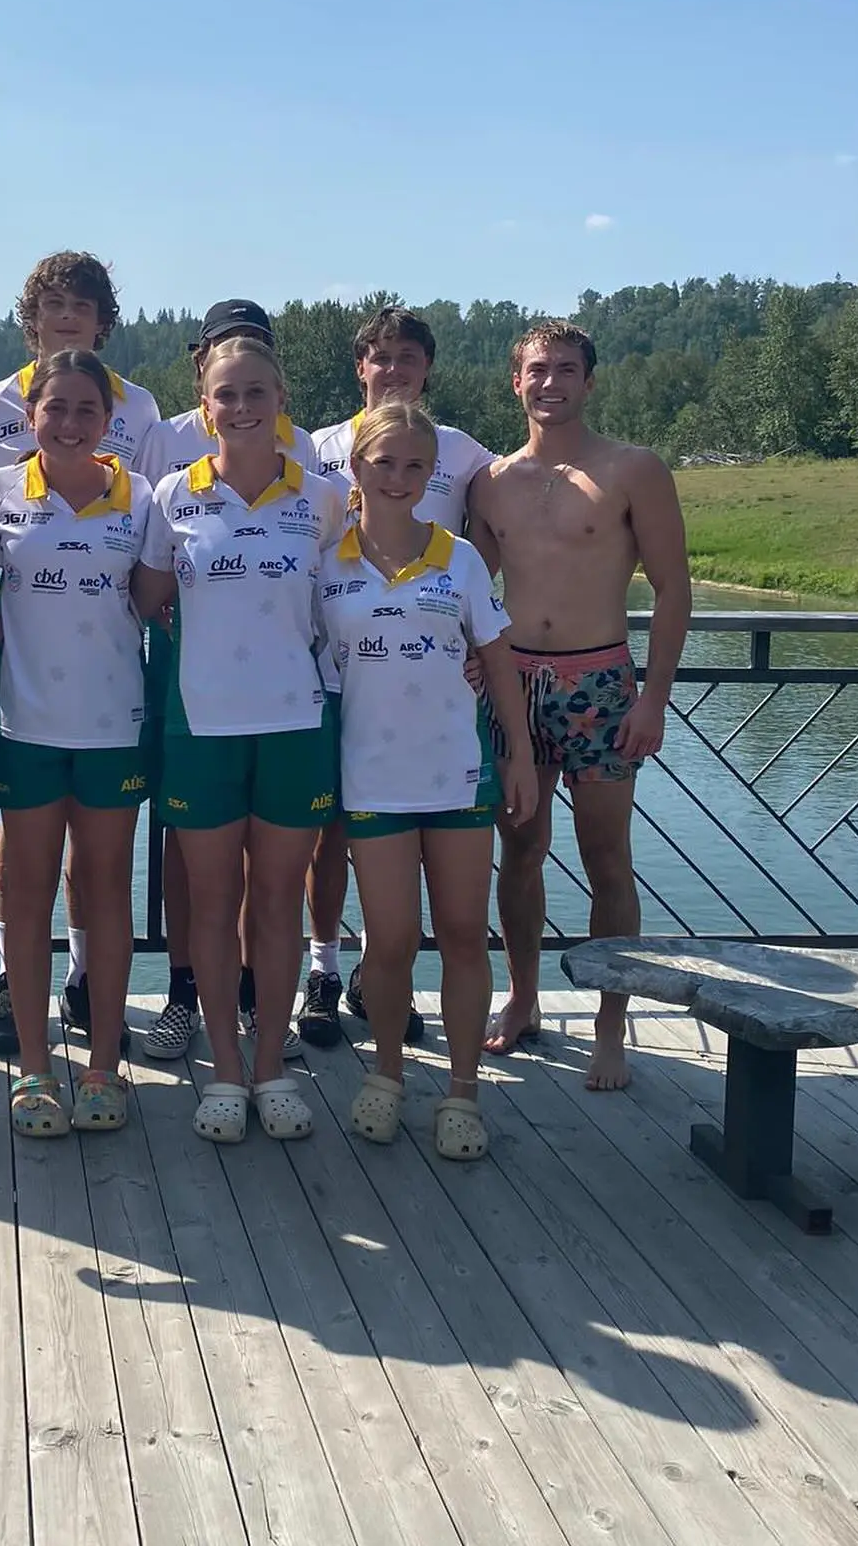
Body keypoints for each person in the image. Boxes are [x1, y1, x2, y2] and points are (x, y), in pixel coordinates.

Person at [469, 319, 690, 1090]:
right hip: (517, 683)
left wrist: (654, 696)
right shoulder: (492, 481)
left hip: (600, 682)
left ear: (589, 382)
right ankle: (524, 998)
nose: (551, 382)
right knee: (520, 851)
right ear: (516, 381)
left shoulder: (634, 469)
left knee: (607, 861)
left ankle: (609, 1026)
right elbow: (469, 586)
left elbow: (672, 589)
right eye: (537, 369)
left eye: (566, 368)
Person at [133, 333, 341, 1144]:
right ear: (205, 403)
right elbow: (149, 597)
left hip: (295, 720)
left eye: (258, 392)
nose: (243, 407)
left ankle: (271, 1069)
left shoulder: (322, 498)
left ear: (281, 398)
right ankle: (224, 1068)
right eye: (227, 394)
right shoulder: (168, 495)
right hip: (202, 726)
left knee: (277, 904)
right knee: (214, 905)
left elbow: (345, 601)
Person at [319, 402, 535, 1156]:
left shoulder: (461, 559)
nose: (401, 478)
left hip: (458, 776)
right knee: (390, 941)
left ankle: (464, 1091)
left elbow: (499, 660)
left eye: (417, 466)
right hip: (372, 778)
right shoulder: (328, 562)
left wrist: (521, 757)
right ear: (357, 467)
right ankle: (386, 1075)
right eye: (386, 463)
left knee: (465, 938)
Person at [0, 252, 160, 1056]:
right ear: (31, 412)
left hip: (114, 722)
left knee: (107, 890)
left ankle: (105, 1059)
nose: (73, 423)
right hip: (24, 721)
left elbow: (153, 603)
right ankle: (32, 1055)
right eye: (58, 410)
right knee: (24, 889)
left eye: (89, 410)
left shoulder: (143, 494)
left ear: (109, 415)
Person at [308, 305, 496, 1048]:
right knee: (328, 835)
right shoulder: (320, 446)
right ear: (361, 366)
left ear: (426, 368)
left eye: (408, 357)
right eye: (380, 357)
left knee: (437, 901)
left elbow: (491, 534)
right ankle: (324, 969)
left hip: (430, 674)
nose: (393, 369)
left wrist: (478, 629)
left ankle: (376, 976)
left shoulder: (463, 450)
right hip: (338, 662)